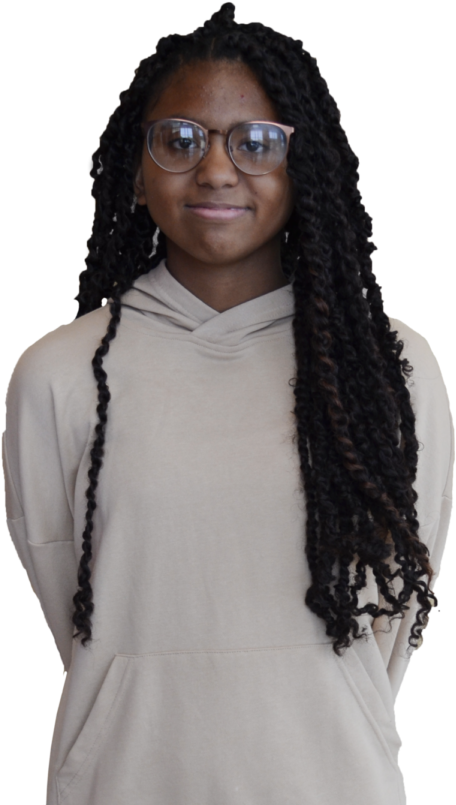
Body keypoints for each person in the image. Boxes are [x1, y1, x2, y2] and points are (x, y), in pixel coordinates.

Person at [2, 3, 453, 804]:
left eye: (256, 143)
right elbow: (67, 595)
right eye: (179, 141)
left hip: (331, 782)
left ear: (302, 168)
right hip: (123, 782)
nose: (215, 170)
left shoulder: (391, 368)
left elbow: (392, 621)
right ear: (135, 170)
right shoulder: (58, 373)